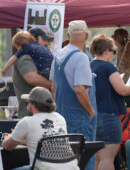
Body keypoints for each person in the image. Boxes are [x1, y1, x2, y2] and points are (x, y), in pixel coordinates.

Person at [89, 34, 130, 170]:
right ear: (106, 51)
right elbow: (122, 90)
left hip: (92, 116)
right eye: (114, 51)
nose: (114, 54)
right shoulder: (108, 67)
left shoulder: (88, 66)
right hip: (109, 117)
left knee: (96, 158)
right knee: (107, 158)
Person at [50, 20, 96, 169]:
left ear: (68, 35)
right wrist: (90, 111)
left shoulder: (58, 55)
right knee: (85, 159)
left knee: (66, 160)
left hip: (61, 114)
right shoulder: (81, 57)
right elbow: (79, 89)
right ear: (86, 36)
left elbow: (54, 87)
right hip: (79, 116)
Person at [2, 86, 79, 170]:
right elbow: (48, 141)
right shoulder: (60, 118)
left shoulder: (27, 122)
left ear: (33, 105)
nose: (27, 104)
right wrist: (19, 141)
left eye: (28, 102)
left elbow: (7, 146)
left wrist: (8, 138)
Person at [11, 31, 52, 118]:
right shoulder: (24, 57)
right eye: (44, 39)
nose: (46, 43)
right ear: (33, 39)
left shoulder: (33, 57)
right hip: (31, 115)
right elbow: (32, 79)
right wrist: (54, 85)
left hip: (37, 114)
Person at [112, 28, 130, 137]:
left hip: (127, 87)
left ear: (116, 39)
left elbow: (121, 73)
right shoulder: (127, 51)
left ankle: (129, 134)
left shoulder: (123, 53)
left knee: (129, 114)